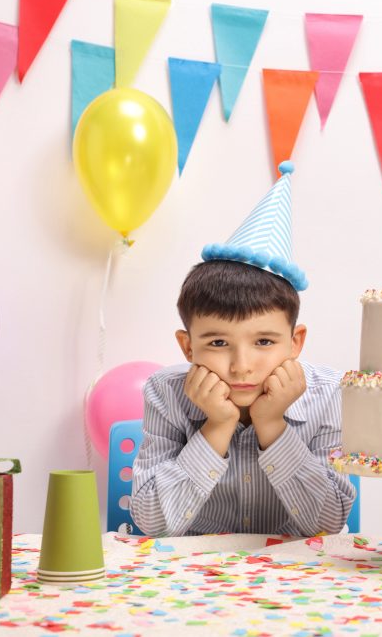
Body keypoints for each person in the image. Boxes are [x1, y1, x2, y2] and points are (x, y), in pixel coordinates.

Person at [131, 163, 354, 537]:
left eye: (264, 342)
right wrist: (217, 426)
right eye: (218, 343)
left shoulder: (328, 393)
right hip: (195, 579)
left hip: (295, 580)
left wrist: (272, 425)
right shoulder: (165, 392)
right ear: (187, 347)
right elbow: (153, 523)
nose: (241, 366)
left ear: (295, 342)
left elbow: (327, 524)